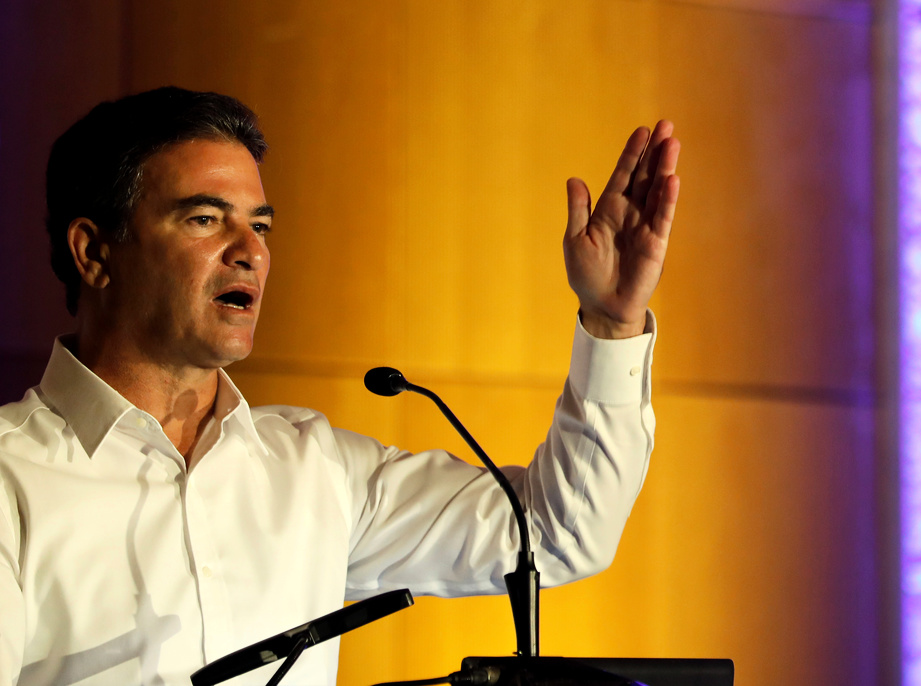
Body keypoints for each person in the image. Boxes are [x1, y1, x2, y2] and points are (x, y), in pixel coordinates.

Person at [0, 87, 680, 686]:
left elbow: (553, 534)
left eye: (260, 225)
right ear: (94, 252)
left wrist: (612, 323)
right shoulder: (13, 480)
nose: (252, 251)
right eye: (205, 219)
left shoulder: (313, 469)